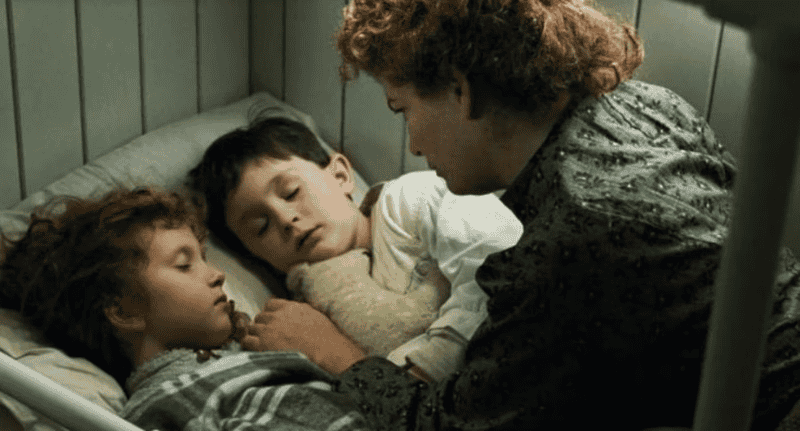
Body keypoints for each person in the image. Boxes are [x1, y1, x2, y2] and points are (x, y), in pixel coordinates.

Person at [237, 0, 800, 429]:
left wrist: (335, 353)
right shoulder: (644, 104)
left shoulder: (573, 234)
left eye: (403, 109)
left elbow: (450, 424)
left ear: (459, 91)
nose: (413, 146)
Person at [186, 112, 523, 382]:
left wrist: (412, 374)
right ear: (257, 258)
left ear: (340, 175)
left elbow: (503, 272)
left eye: (291, 192)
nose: (286, 219)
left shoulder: (411, 200)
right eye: (261, 227)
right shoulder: (309, 313)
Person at [0, 188, 370, 430]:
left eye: (204, 259)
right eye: (184, 265)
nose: (218, 275)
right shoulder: (165, 402)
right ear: (125, 312)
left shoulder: (252, 354)